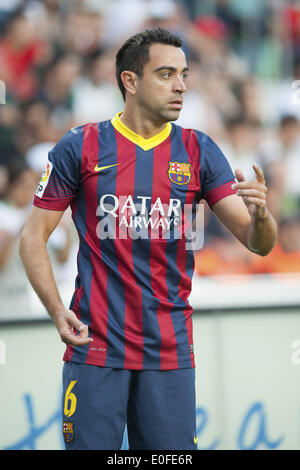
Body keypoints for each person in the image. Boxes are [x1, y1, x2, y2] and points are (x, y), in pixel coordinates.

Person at [19, 27, 277, 450]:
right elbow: (33, 237)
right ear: (130, 81)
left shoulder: (198, 151)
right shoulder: (80, 146)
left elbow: (257, 241)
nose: (181, 86)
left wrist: (262, 215)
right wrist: (55, 309)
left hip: (169, 350)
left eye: (184, 74)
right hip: (95, 346)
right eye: (166, 74)